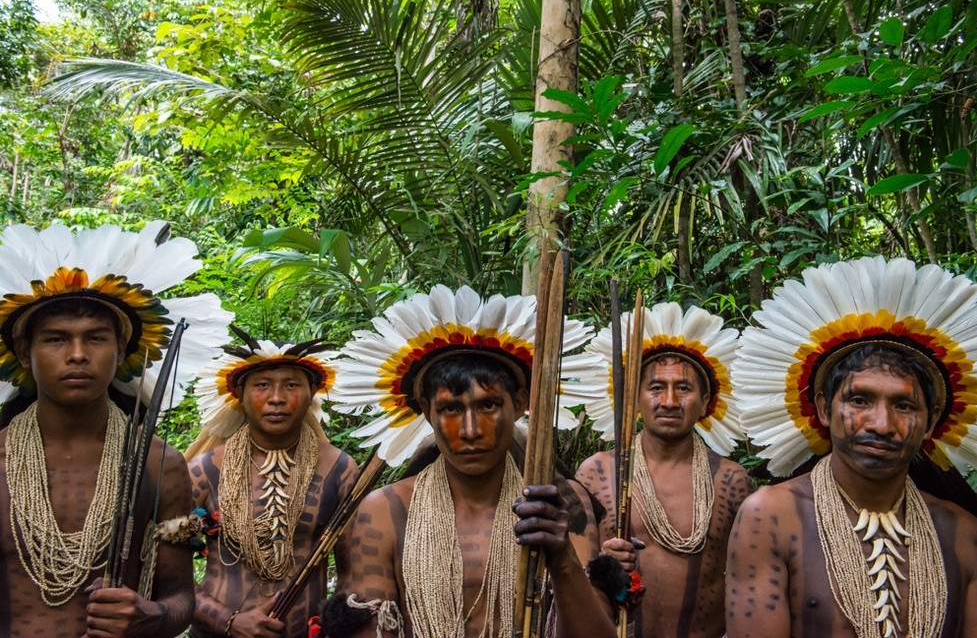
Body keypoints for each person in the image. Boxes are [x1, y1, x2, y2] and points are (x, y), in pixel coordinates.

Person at [321, 284, 616, 638]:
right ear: (427, 411)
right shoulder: (386, 510)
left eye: (488, 405)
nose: (471, 430)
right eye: (451, 409)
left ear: (520, 403)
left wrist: (562, 559)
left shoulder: (563, 502)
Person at [728, 257, 977, 637]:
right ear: (823, 409)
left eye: (904, 405)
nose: (881, 424)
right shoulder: (771, 517)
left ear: (931, 421)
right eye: (860, 400)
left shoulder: (963, 533)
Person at [0, 221, 231, 636]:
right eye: (55, 339)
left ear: (122, 349)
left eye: (95, 338)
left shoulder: (159, 464)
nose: (77, 355)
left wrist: (150, 616)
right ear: (23, 350)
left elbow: (180, 596)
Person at [576, 302, 755, 637]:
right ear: (635, 399)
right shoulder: (598, 473)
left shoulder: (731, 481)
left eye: (683, 388)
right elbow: (569, 576)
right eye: (656, 388)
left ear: (705, 403)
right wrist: (603, 567)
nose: (669, 401)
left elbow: (749, 584)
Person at [185, 332, 359, 638]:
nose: (277, 398)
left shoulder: (340, 470)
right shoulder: (204, 471)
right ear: (240, 393)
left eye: (291, 385)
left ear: (312, 391)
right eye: (262, 385)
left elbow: (354, 575)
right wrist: (228, 621)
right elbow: (167, 571)